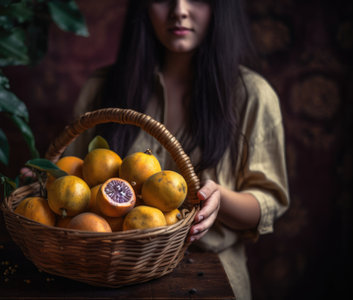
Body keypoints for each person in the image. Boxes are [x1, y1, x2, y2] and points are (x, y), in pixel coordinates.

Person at [58, 0, 290, 299]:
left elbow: (269, 200)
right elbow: (70, 177)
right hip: (111, 273)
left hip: (211, 274)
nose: (179, 10)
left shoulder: (252, 95)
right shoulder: (102, 88)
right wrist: (44, 182)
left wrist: (220, 198)